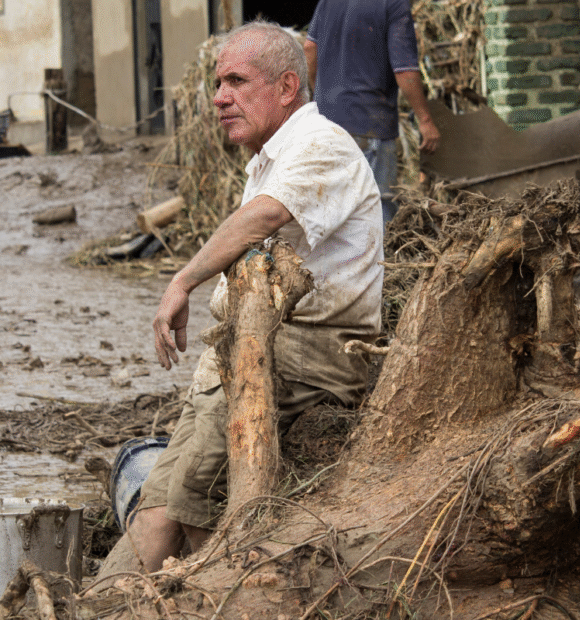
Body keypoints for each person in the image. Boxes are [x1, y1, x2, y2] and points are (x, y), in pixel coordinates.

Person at [114, 20, 384, 575]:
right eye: (218, 84)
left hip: (308, 354)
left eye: (236, 82)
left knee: (193, 495)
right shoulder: (268, 156)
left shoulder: (323, 145)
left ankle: (209, 592)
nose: (219, 97)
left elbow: (265, 217)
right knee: (158, 501)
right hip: (243, 350)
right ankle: (103, 600)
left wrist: (182, 280)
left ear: (286, 87)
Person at [304, 0, 441, 224]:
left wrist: (320, 96)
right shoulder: (393, 4)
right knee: (375, 210)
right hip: (369, 125)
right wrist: (425, 121)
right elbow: (405, 70)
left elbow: (310, 48)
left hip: (324, 126)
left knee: (331, 211)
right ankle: (377, 260)